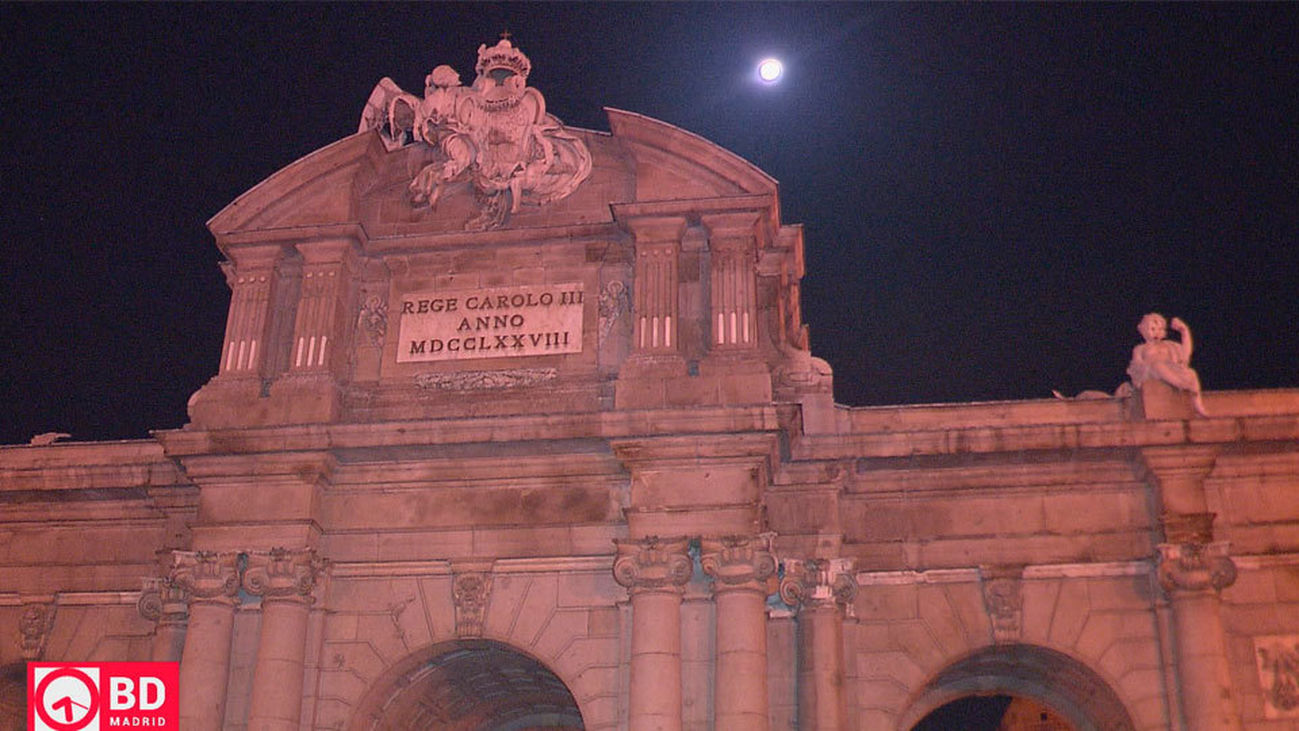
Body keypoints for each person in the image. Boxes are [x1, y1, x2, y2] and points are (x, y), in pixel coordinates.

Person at [1127, 313, 1207, 416]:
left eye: (1160, 329)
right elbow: (1137, 364)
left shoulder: (1169, 345)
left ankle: (1197, 405)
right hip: (1151, 371)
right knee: (1157, 366)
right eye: (1152, 329)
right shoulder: (1141, 348)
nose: (1156, 332)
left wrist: (1184, 331)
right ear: (1143, 330)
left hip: (1171, 368)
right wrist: (1147, 365)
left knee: (1191, 373)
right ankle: (1182, 385)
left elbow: (1185, 354)